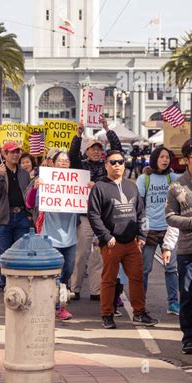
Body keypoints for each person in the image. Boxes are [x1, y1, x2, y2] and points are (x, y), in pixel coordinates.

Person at [87, 148, 158, 330]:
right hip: (111, 243)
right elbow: (94, 215)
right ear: (106, 165)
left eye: (120, 162)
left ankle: (139, 313)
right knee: (109, 280)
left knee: (137, 278)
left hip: (132, 242)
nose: (117, 165)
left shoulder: (131, 186)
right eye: (112, 162)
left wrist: (142, 235)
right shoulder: (100, 188)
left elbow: (141, 212)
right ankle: (107, 315)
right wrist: (106, 236)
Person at [26, 151, 84, 321]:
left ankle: (54, 301)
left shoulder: (77, 182)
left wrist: (89, 190)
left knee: (67, 271)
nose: (64, 163)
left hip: (70, 237)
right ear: (53, 163)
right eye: (61, 160)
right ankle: (56, 307)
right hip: (50, 236)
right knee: (54, 273)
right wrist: (35, 188)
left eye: (67, 160)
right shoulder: (44, 180)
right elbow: (29, 203)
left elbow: (88, 205)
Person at [69, 117, 122, 302]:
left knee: (98, 257)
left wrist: (107, 129)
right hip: (84, 216)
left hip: (102, 217)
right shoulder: (80, 165)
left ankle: (96, 290)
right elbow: (72, 154)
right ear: (87, 151)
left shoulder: (108, 167)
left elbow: (118, 150)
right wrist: (78, 134)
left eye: (100, 149)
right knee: (80, 254)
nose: (97, 152)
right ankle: (74, 288)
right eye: (93, 149)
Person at [164, 141, 192, 354]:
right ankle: (188, 337)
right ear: (186, 160)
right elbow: (170, 217)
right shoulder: (176, 186)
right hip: (187, 249)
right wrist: (191, 222)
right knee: (188, 294)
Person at [136, 146, 180, 315]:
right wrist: (141, 231)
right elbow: (139, 206)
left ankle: (173, 303)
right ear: (155, 158)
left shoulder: (173, 178)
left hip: (169, 229)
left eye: (167, 157)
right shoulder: (144, 178)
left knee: (171, 269)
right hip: (149, 230)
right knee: (145, 269)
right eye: (161, 157)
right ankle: (141, 303)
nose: (165, 160)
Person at [0, 141, 31, 287]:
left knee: (21, 252)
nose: (15, 155)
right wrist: (0, 176)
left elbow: (28, 195)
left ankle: (19, 283)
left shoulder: (24, 174)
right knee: (4, 253)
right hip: (3, 218)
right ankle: (7, 284)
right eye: (12, 152)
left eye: (17, 152)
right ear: (4, 154)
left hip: (22, 218)